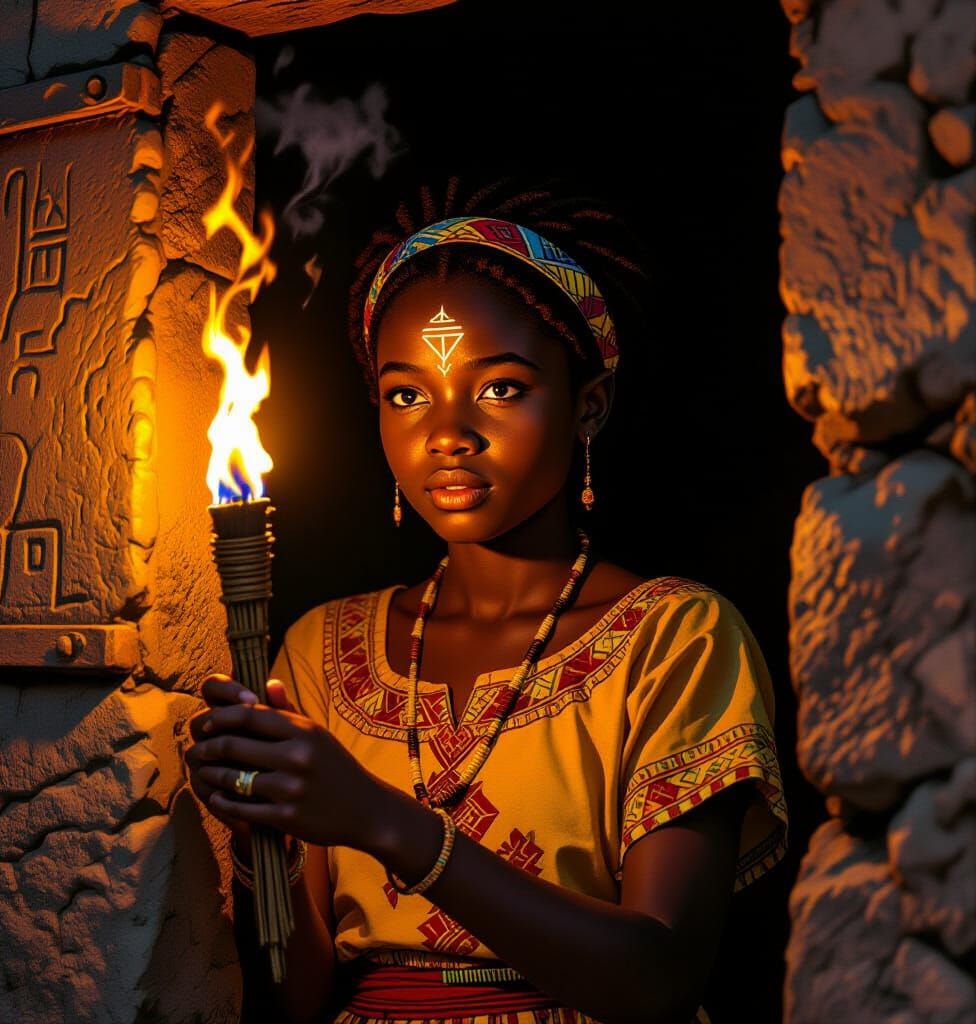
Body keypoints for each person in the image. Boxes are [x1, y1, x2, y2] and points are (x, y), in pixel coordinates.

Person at [183, 179, 788, 1024]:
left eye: (499, 388)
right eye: (406, 394)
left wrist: (380, 820)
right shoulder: (319, 651)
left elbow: (658, 979)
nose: (447, 432)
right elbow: (295, 1002)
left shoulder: (675, 638)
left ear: (589, 406)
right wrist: (263, 846)